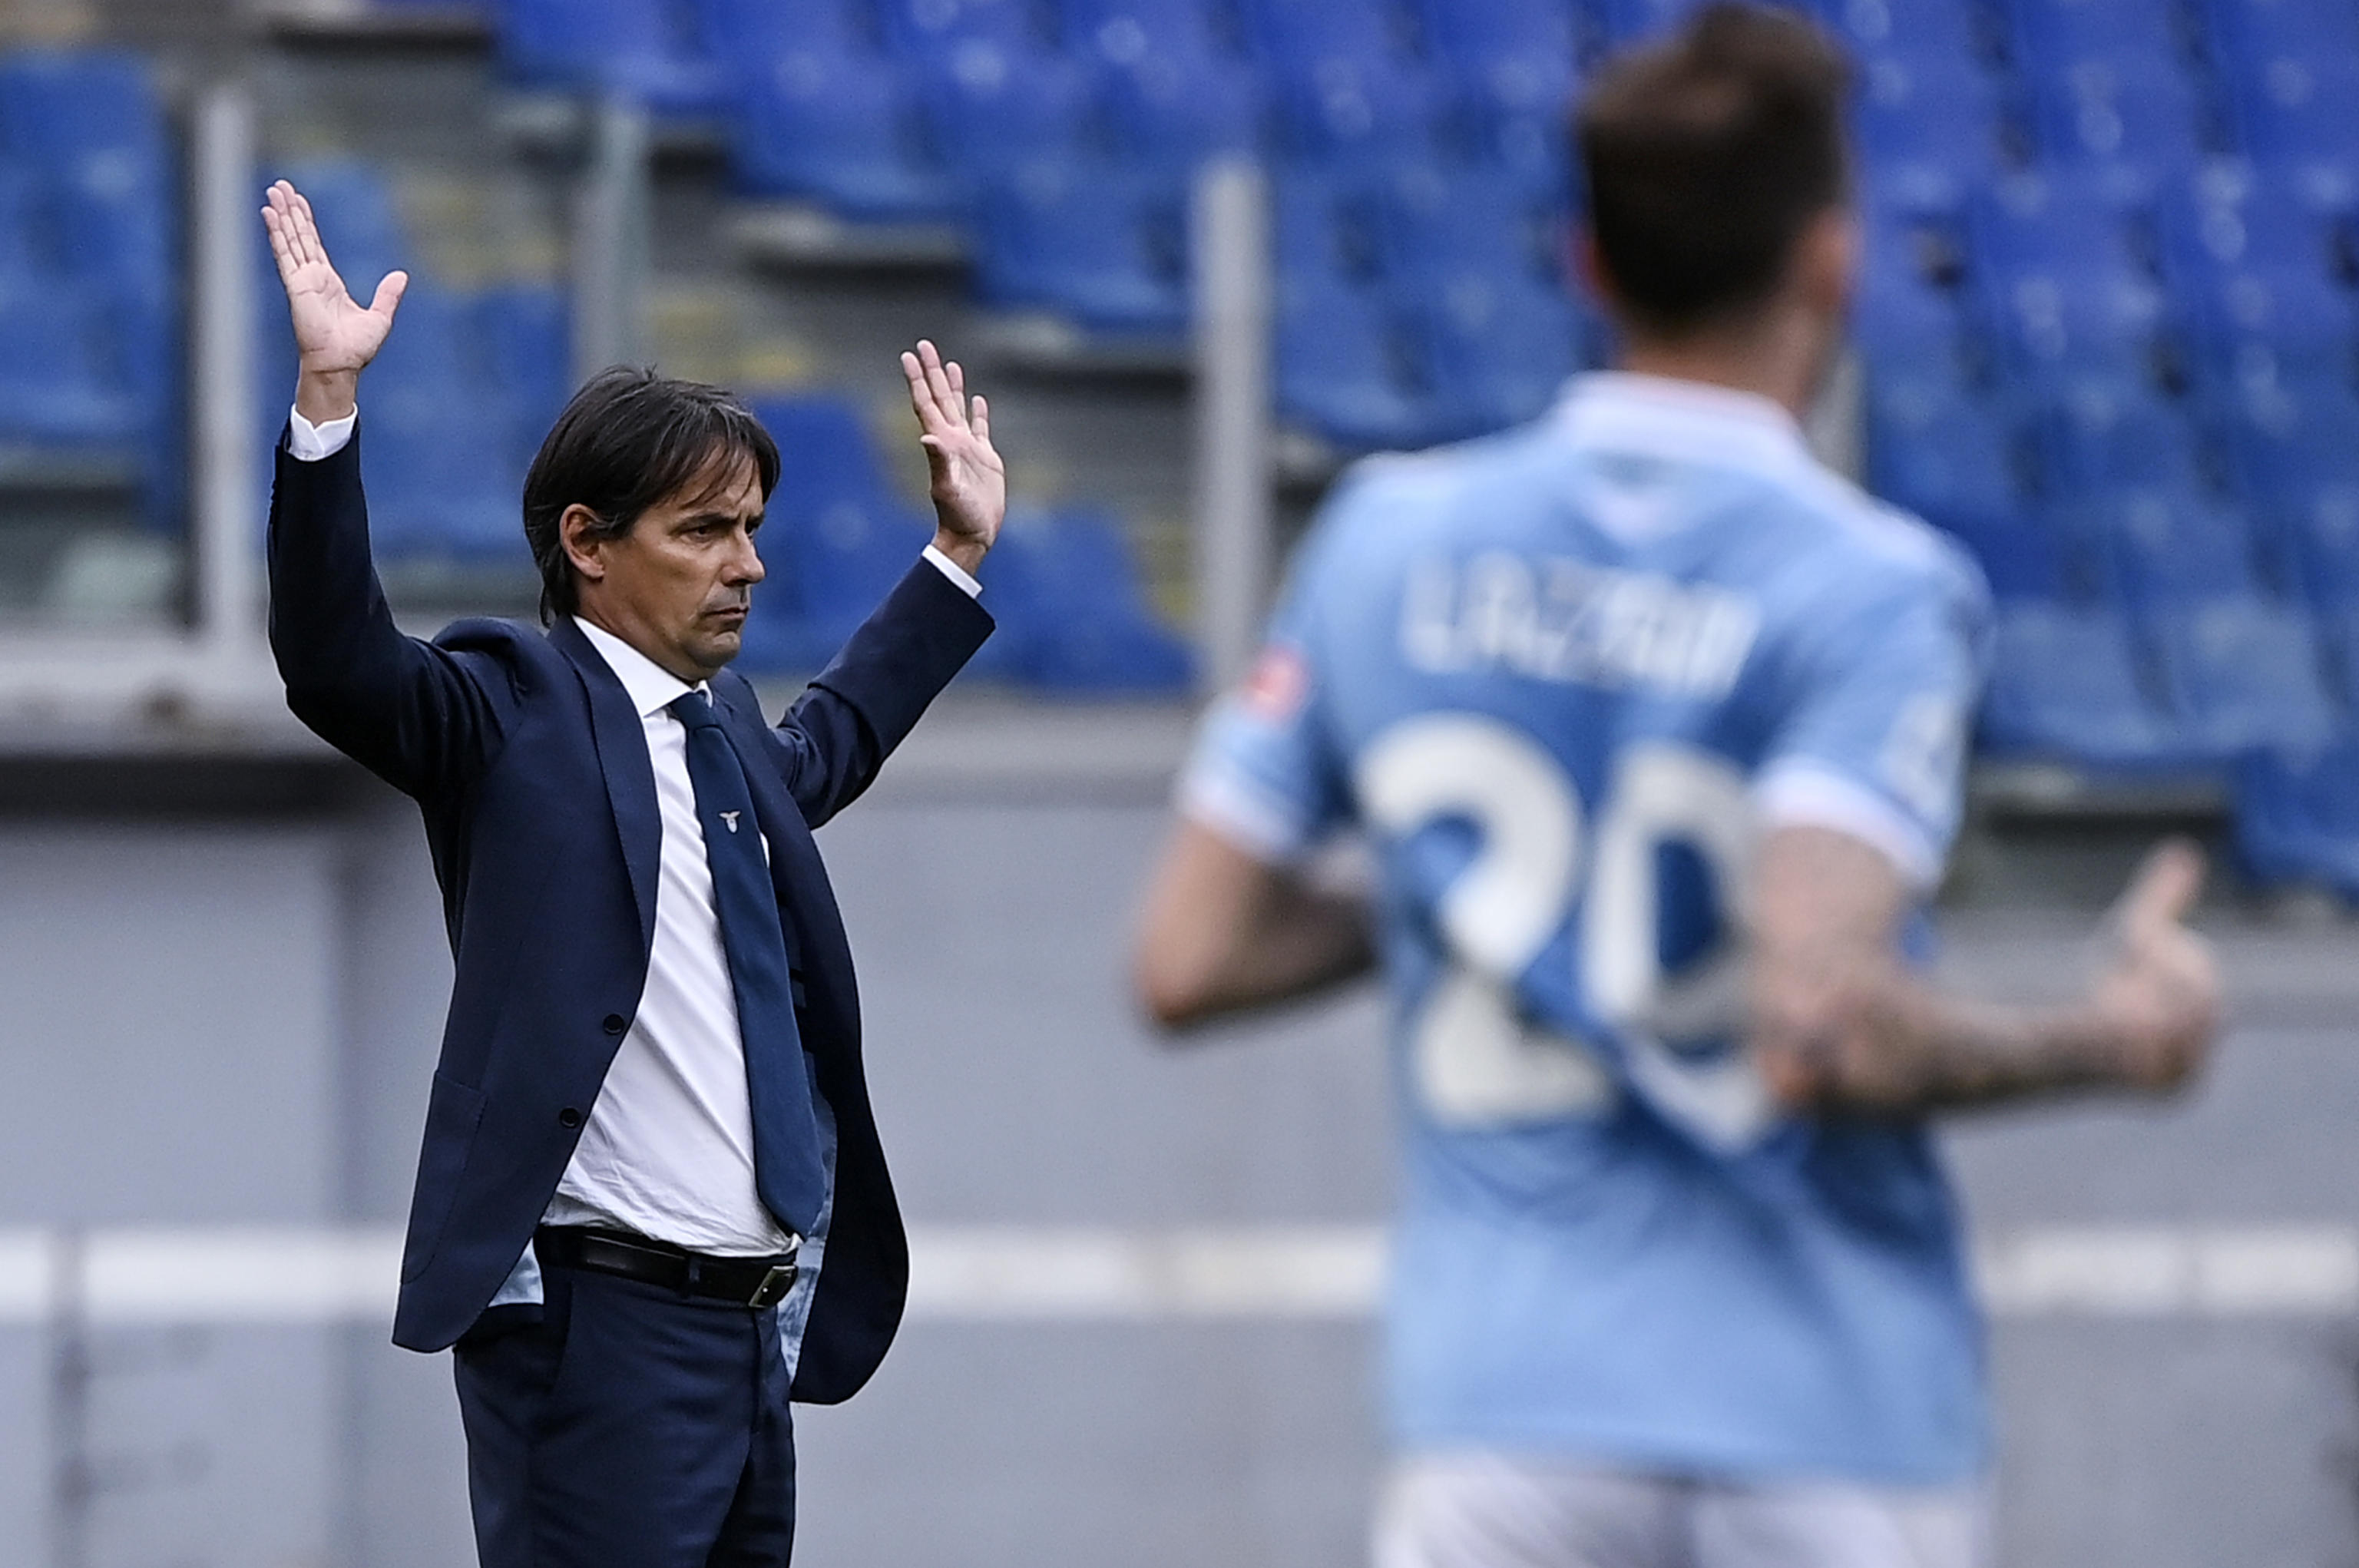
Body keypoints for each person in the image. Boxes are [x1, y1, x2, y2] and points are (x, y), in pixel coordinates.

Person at [1131, 8, 2222, 1566]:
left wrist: (1482, 885)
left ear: (1586, 262)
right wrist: (2120, 1035)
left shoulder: (1385, 538)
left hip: (1503, 1417)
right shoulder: (1870, 587)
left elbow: (1186, 956)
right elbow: (1823, 1026)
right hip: (1824, 1420)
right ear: (1830, 262)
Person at [260, 177, 1003, 1566]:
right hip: (597, 1331)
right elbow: (337, 659)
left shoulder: (726, 732)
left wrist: (954, 555)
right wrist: (328, 401)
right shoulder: (507, 705)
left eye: (753, 529)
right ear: (587, 544)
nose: (748, 566)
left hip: (751, 1331)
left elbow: (828, 749)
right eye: (705, 531)